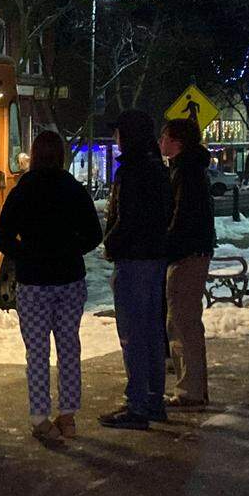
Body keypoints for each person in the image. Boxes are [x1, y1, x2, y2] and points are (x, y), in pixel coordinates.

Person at [0, 130, 102, 441]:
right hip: (69, 280)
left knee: (37, 352)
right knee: (69, 348)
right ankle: (67, 416)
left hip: (33, 283)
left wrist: (27, 253)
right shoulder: (74, 189)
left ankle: (40, 417)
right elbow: (94, 235)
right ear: (62, 156)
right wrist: (69, 250)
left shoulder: (22, 191)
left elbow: (1, 237)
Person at [99, 109, 173, 430]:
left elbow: (128, 219)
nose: (115, 138)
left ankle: (138, 404)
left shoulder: (132, 171)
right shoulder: (157, 168)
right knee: (153, 331)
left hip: (135, 260)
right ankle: (153, 400)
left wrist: (111, 243)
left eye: (118, 132)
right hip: (154, 258)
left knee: (133, 333)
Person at [159, 118, 215, 410]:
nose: (161, 142)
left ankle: (190, 391)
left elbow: (181, 219)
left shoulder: (185, 172)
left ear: (176, 141)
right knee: (183, 320)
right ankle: (193, 387)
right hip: (192, 251)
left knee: (182, 321)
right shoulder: (190, 169)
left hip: (186, 255)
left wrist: (166, 246)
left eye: (165, 137)